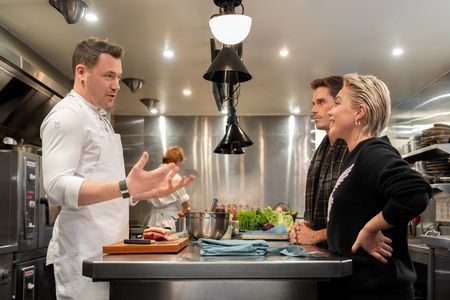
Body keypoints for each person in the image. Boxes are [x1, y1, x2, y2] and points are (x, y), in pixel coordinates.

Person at [40, 37, 195, 300]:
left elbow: (104, 185)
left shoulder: (99, 118)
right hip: (80, 258)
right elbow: (56, 187)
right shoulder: (68, 116)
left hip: (106, 253)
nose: (116, 86)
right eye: (109, 76)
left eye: (119, 77)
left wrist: (144, 191)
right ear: (81, 73)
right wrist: (125, 186)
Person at [326, 73, 430, 299]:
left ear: (359, 112)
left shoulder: (372, 151)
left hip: (379, 291)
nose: (330, 112)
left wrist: (370, 228)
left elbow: (414, 193)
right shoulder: (355, 157)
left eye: (338, 103)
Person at [290, 76, 347, 246]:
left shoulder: (353, 147)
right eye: (313, 103)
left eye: (321, 102)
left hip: (352, 260)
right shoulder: (324, 149)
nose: (314, 110)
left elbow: (358, 216)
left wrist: (316, 236)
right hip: (329, 254)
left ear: (339, 104)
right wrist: (304, 228)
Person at [147, 146, 190, 231]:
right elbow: (185, 204)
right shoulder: (175, 177)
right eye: (180, 162)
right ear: (177, 161)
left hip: (152, 223)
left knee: (154, 244)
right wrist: (185, 211)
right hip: (170, 224)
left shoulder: (152, 175)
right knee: (171, 244)